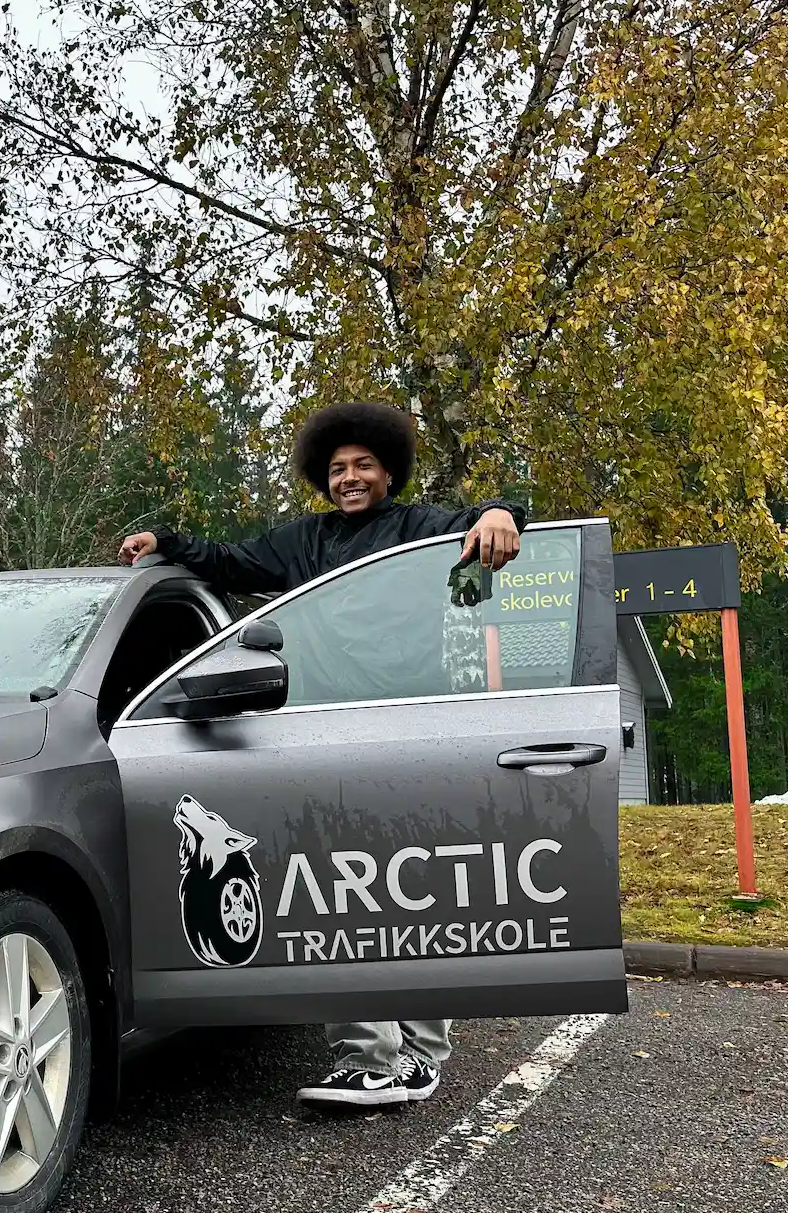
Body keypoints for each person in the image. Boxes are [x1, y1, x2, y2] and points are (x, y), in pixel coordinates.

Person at [119, 401, 526, 1110]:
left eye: (362, 465)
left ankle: (415, 1056)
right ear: (321, 477)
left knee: (412, 894)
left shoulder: (422, 529)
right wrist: (167, 540)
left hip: (411, 727)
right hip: (327, 730)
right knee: (348, 893)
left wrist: (499, 509)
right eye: (336, 469)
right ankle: (374, 1057)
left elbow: (491, 525)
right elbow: (229, 559)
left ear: (388, 470)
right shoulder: (304, 542)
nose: (349, 478)